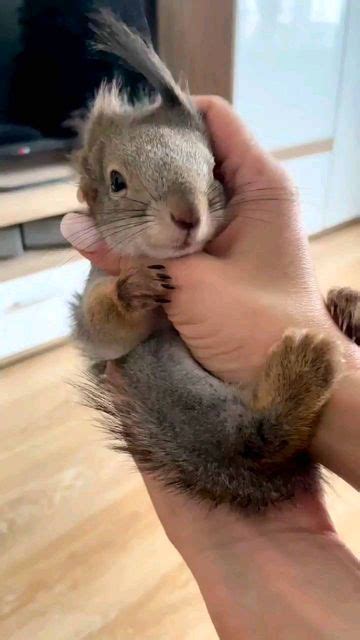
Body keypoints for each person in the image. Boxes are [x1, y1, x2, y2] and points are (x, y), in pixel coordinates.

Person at [63, 96, 360, 639]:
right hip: (214, 434)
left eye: (206, 180)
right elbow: (98, 338)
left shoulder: (228, 240)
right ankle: (268, 426)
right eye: (122, 185)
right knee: (145, 362)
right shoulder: (116, 260)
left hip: (242, 451)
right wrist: (122, 300)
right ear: (94, 196)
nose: (188, 212)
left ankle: (313, 382)